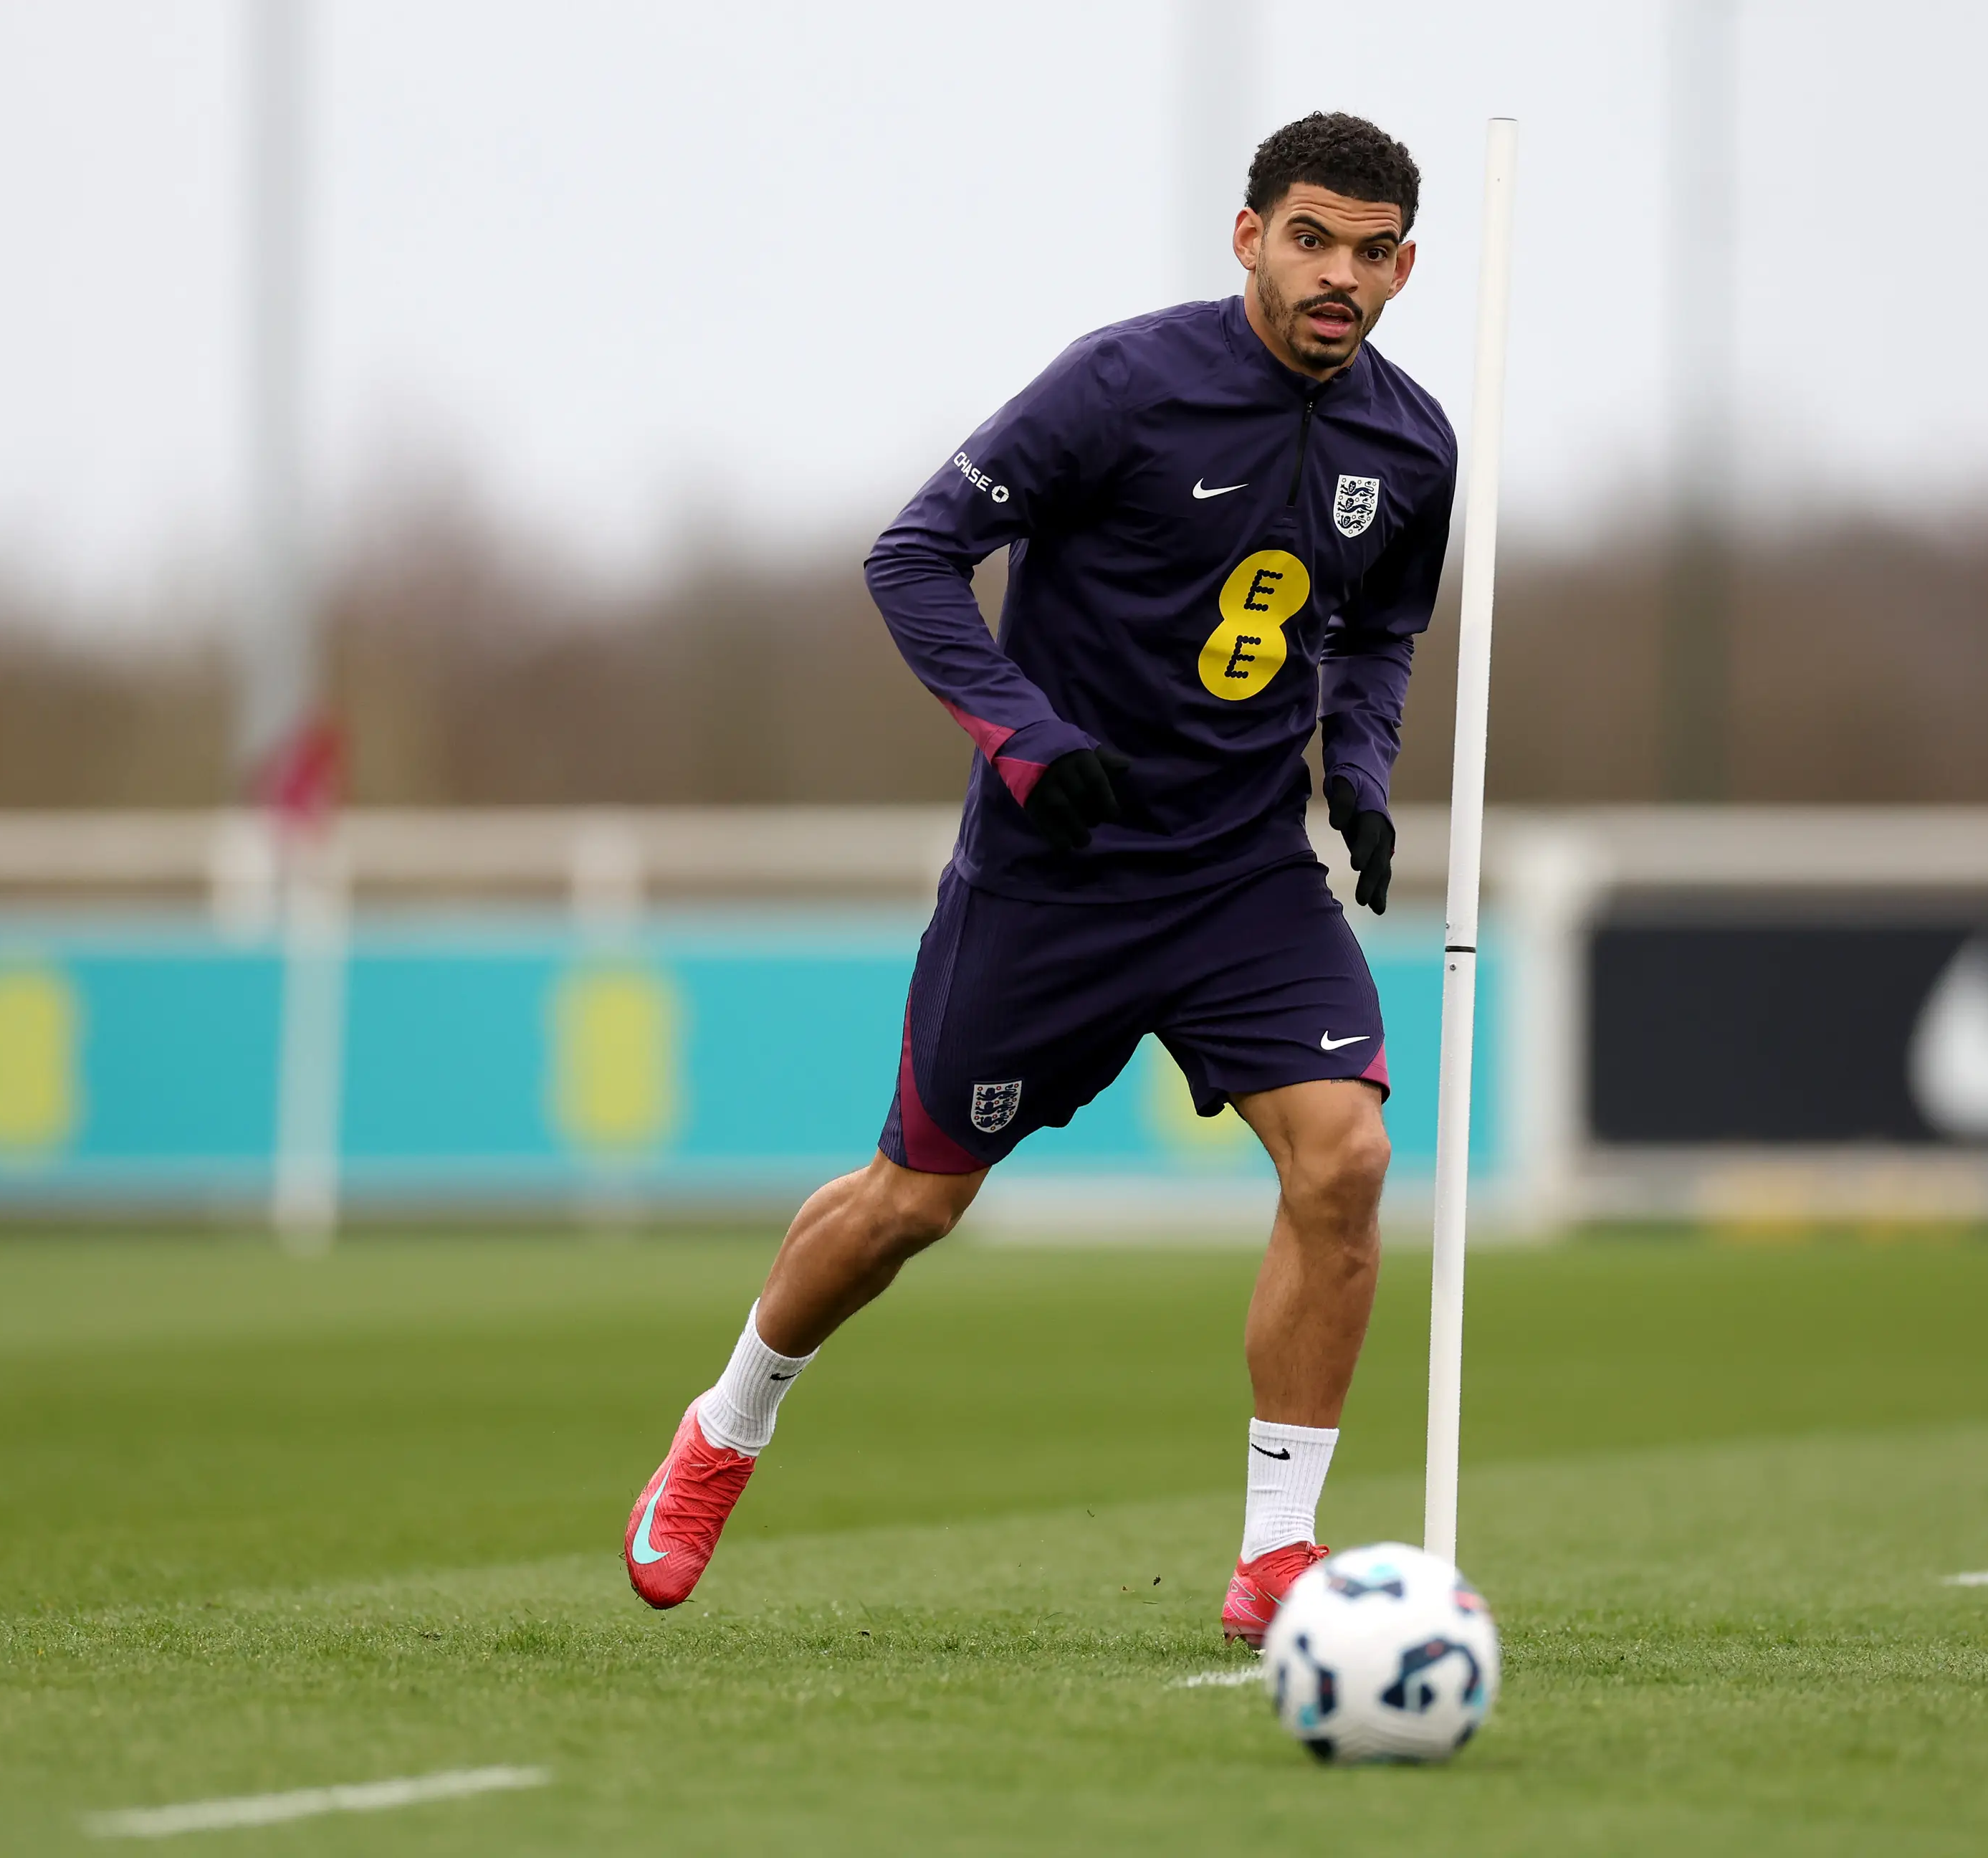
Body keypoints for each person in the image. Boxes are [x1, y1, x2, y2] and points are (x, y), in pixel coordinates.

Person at [622, 111, 1456, 1649]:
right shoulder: (1123, 385)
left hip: (1242, 878)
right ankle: (726, 1427)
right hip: (1052, 877)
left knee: (1344, 1157)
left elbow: (1379, 631)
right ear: (1250, 238)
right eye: (1311, 240)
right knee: (911, 1205)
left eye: (1372, 251)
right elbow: (913, 556)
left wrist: (1359, 769)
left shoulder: (1414, 444)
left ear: (1407, 266)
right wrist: (1026, 738)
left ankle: (1278, 1553)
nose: (1340, 275)